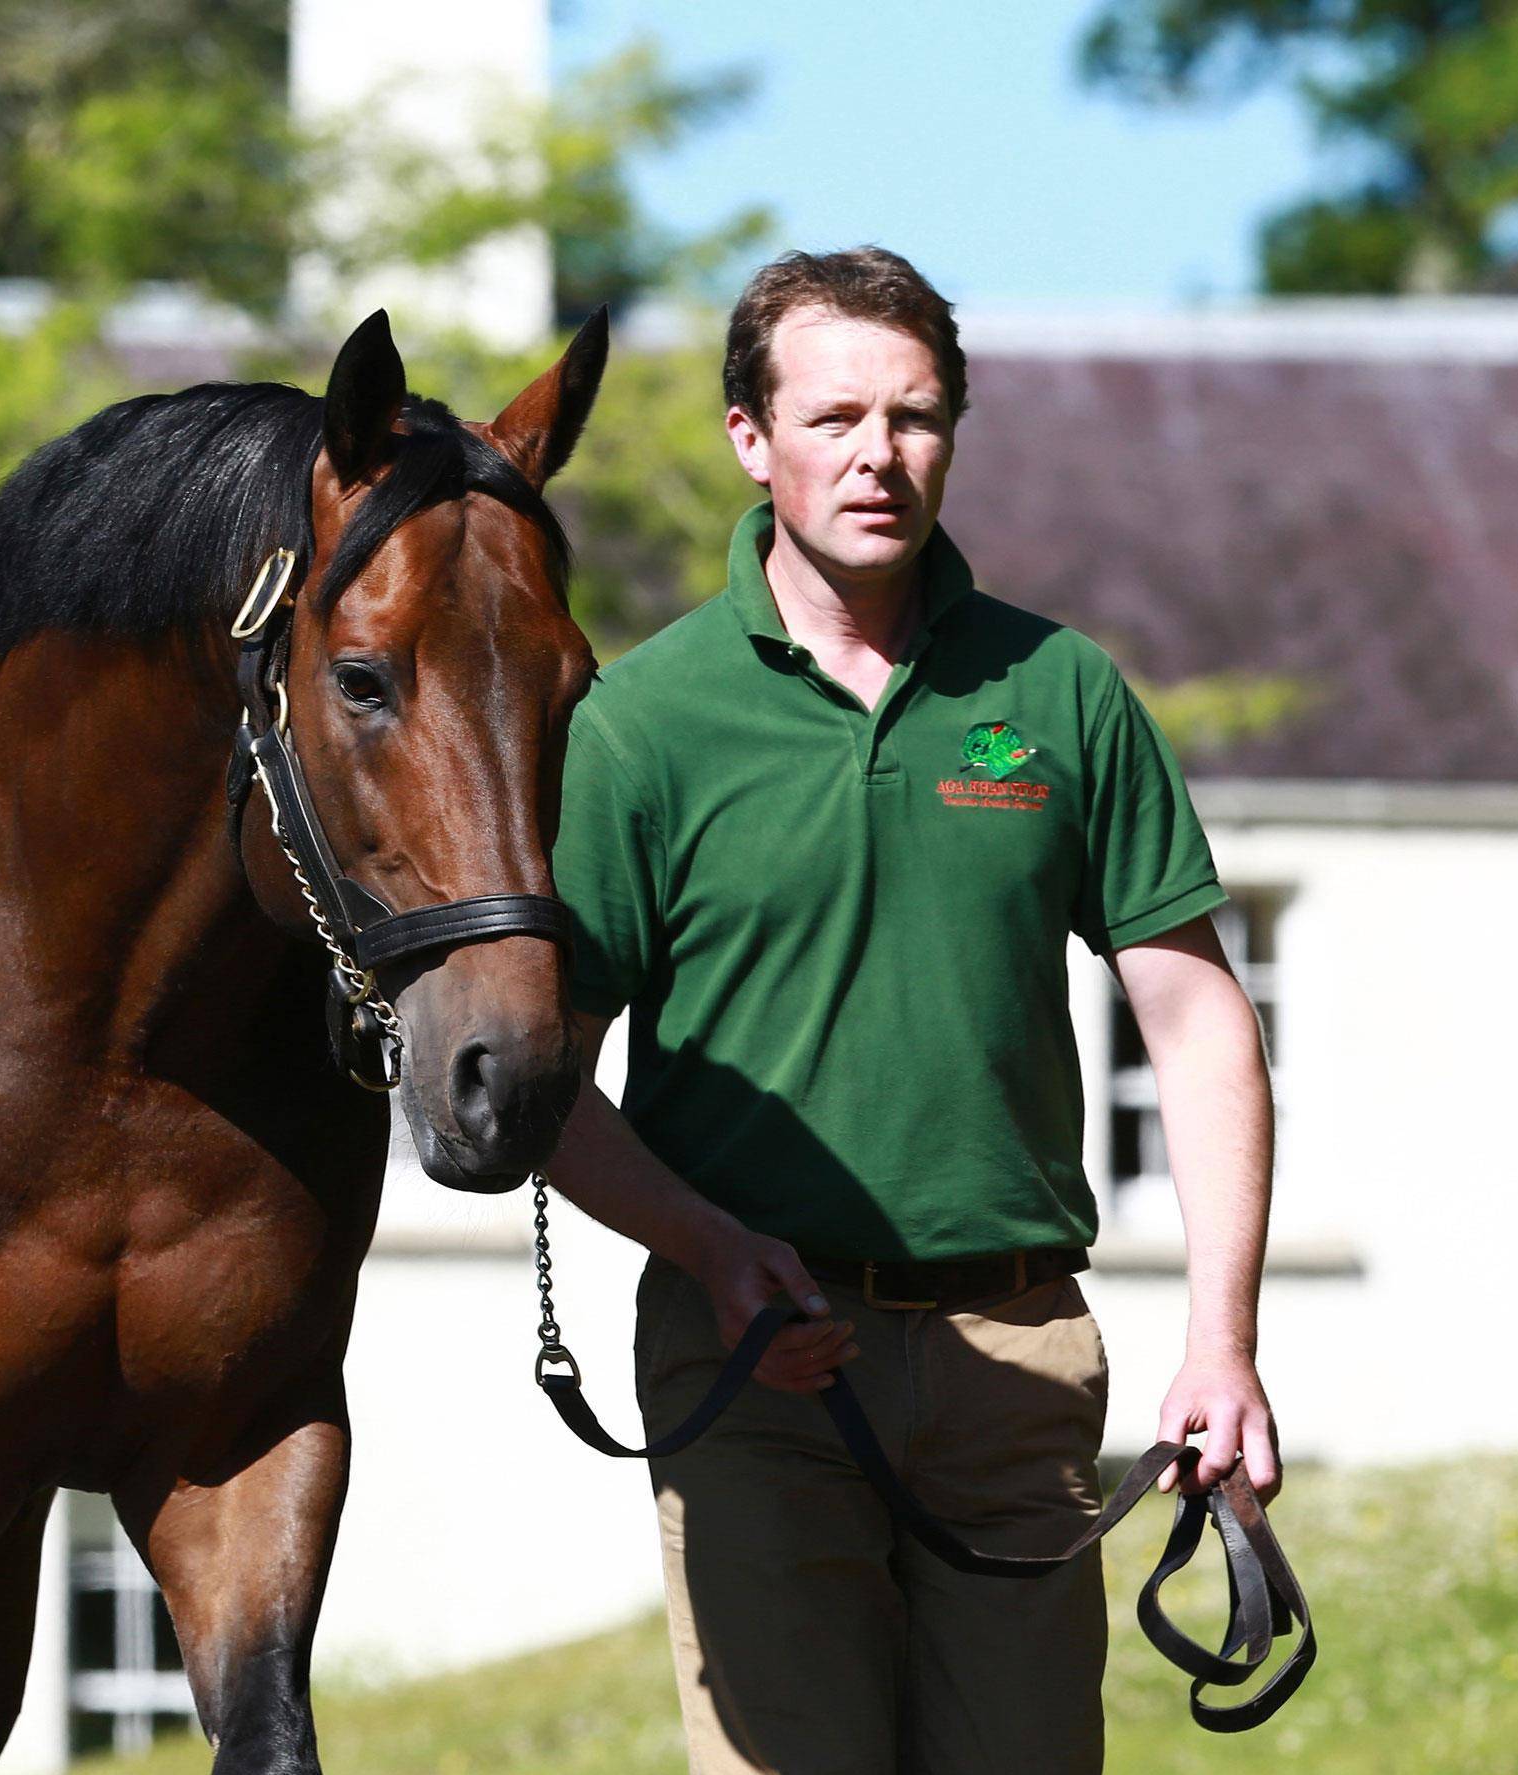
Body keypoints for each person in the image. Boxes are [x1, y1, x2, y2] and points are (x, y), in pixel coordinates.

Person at [544, 246, 1280, 1775]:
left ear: (953, 431)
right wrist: (704, 1248)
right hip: (752, 1361)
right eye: (831, 418)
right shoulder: (637, 724)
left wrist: (1221, 1342)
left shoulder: (1061, 690)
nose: (876, 455)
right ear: (750, 440)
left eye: (915, 415)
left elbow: (1196, 1017)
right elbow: (534, 1077)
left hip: (1014, 1360)